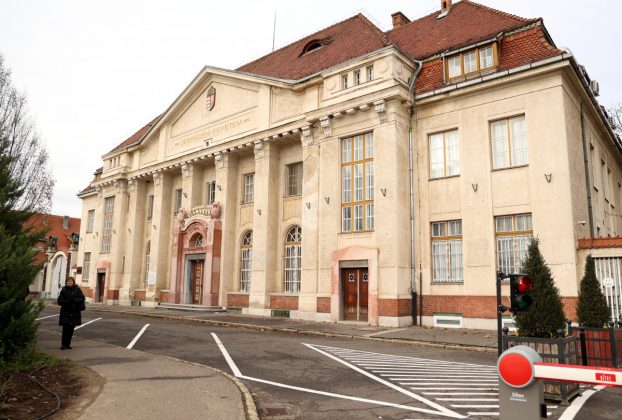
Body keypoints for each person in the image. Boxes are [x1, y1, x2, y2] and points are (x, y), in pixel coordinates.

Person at [57, 277, 85, 350]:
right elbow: (59, 301)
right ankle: (63, 344)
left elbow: (82, 298)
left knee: (71, 329)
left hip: (74, 312)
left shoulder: (77, 290)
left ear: (73, 282)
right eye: (68, 281)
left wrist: (75, 300)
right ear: (66, 282)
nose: (69, 282)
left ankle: (68, 344)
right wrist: (67, 301)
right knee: (65, 328)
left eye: (71, 281)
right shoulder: (64, 290)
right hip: (66, 312)